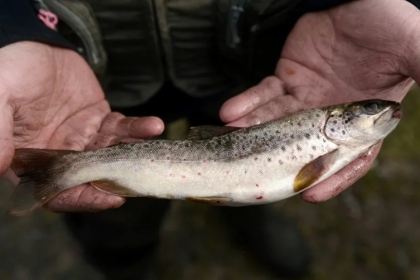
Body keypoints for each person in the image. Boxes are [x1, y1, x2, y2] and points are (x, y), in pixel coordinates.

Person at [1, 0, 420, 278]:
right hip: (95, 74)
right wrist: (13, 28)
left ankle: (246, 215)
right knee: (116, 217)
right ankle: (126, 260)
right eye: (363, 113)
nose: (381, 113)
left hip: (254, 60)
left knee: (236, 149)